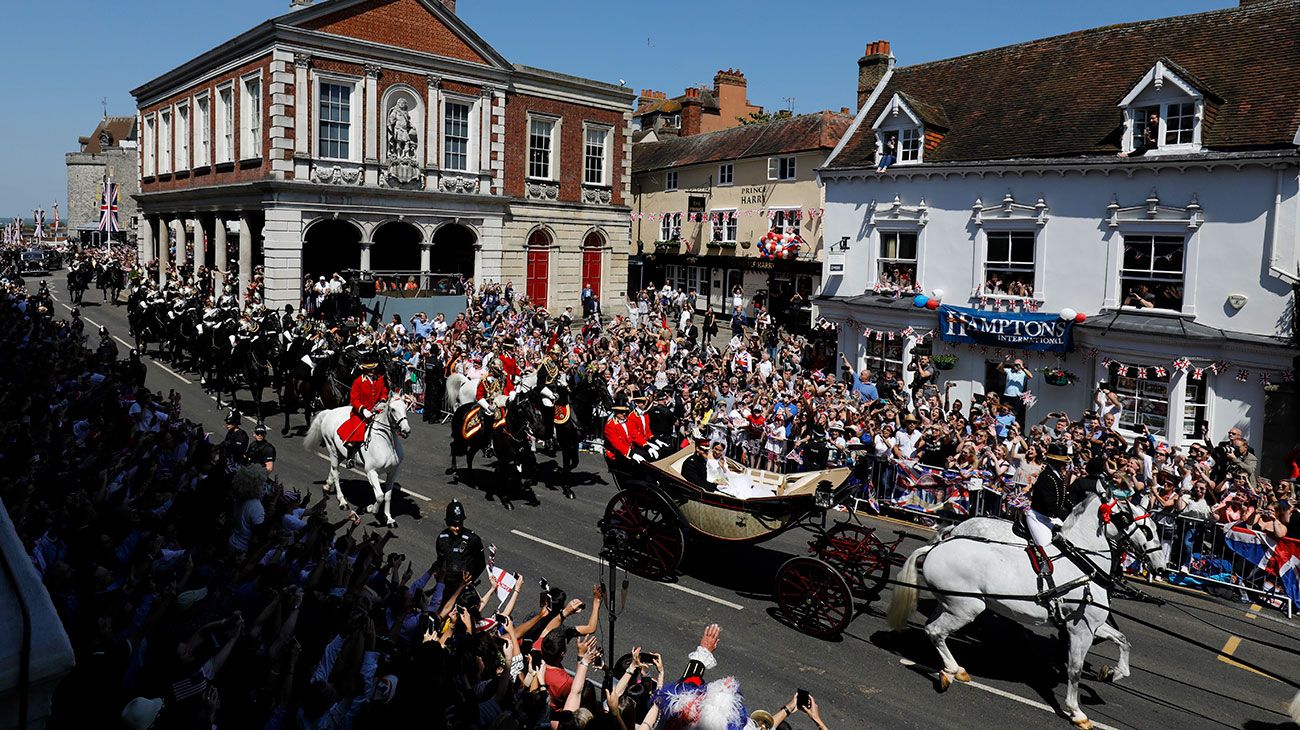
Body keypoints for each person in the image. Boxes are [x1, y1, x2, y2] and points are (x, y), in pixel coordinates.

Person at [338, 355, 389, 468]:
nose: (371, 371)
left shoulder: (380, 379)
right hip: (362, 412)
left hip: (377, 409)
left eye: (372, 369)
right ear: (364, 370)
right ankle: (350, 457)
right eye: (368, 369)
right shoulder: (358, 382)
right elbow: (354, 399)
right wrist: (363, 410)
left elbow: (384, 392)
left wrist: (382, 401)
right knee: (356, 430)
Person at [435, 500, 487, 581]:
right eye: (454, 525)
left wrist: (470, 580)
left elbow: (481, 564)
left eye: (460, 524)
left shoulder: (472, 539)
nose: (457, 528)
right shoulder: (442, 539)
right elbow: (440, 559)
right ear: (448, 523)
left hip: (464, 584)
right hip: (446, 583)